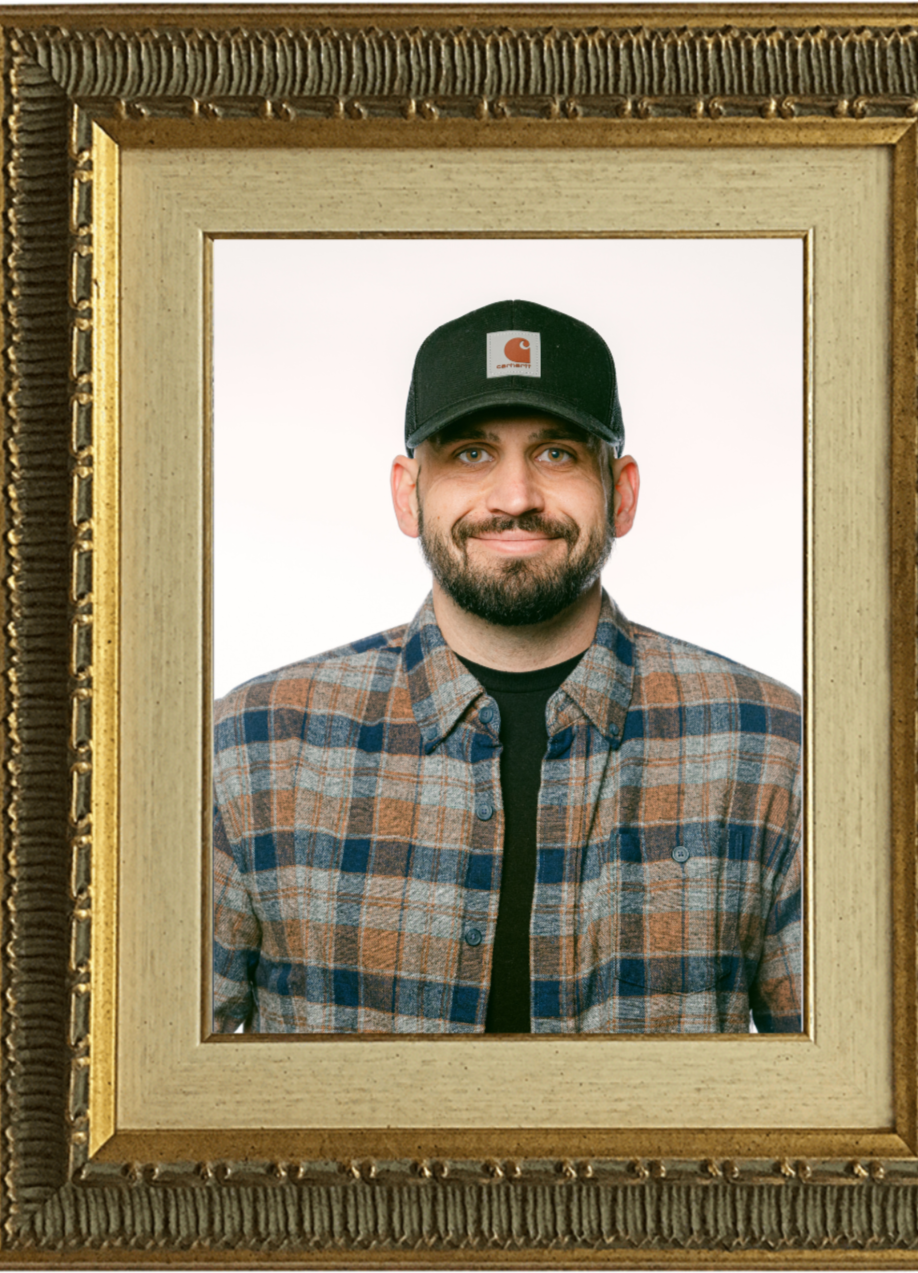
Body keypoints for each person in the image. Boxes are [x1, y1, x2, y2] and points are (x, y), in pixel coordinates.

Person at [212, 299, 802, 1035]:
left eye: (556, 453)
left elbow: (843, 1097)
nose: (516, 497)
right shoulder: (251, 744)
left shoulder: (773, 746)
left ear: (620, 493)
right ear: (407, 491)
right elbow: (150, 1086)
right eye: (470, 454)